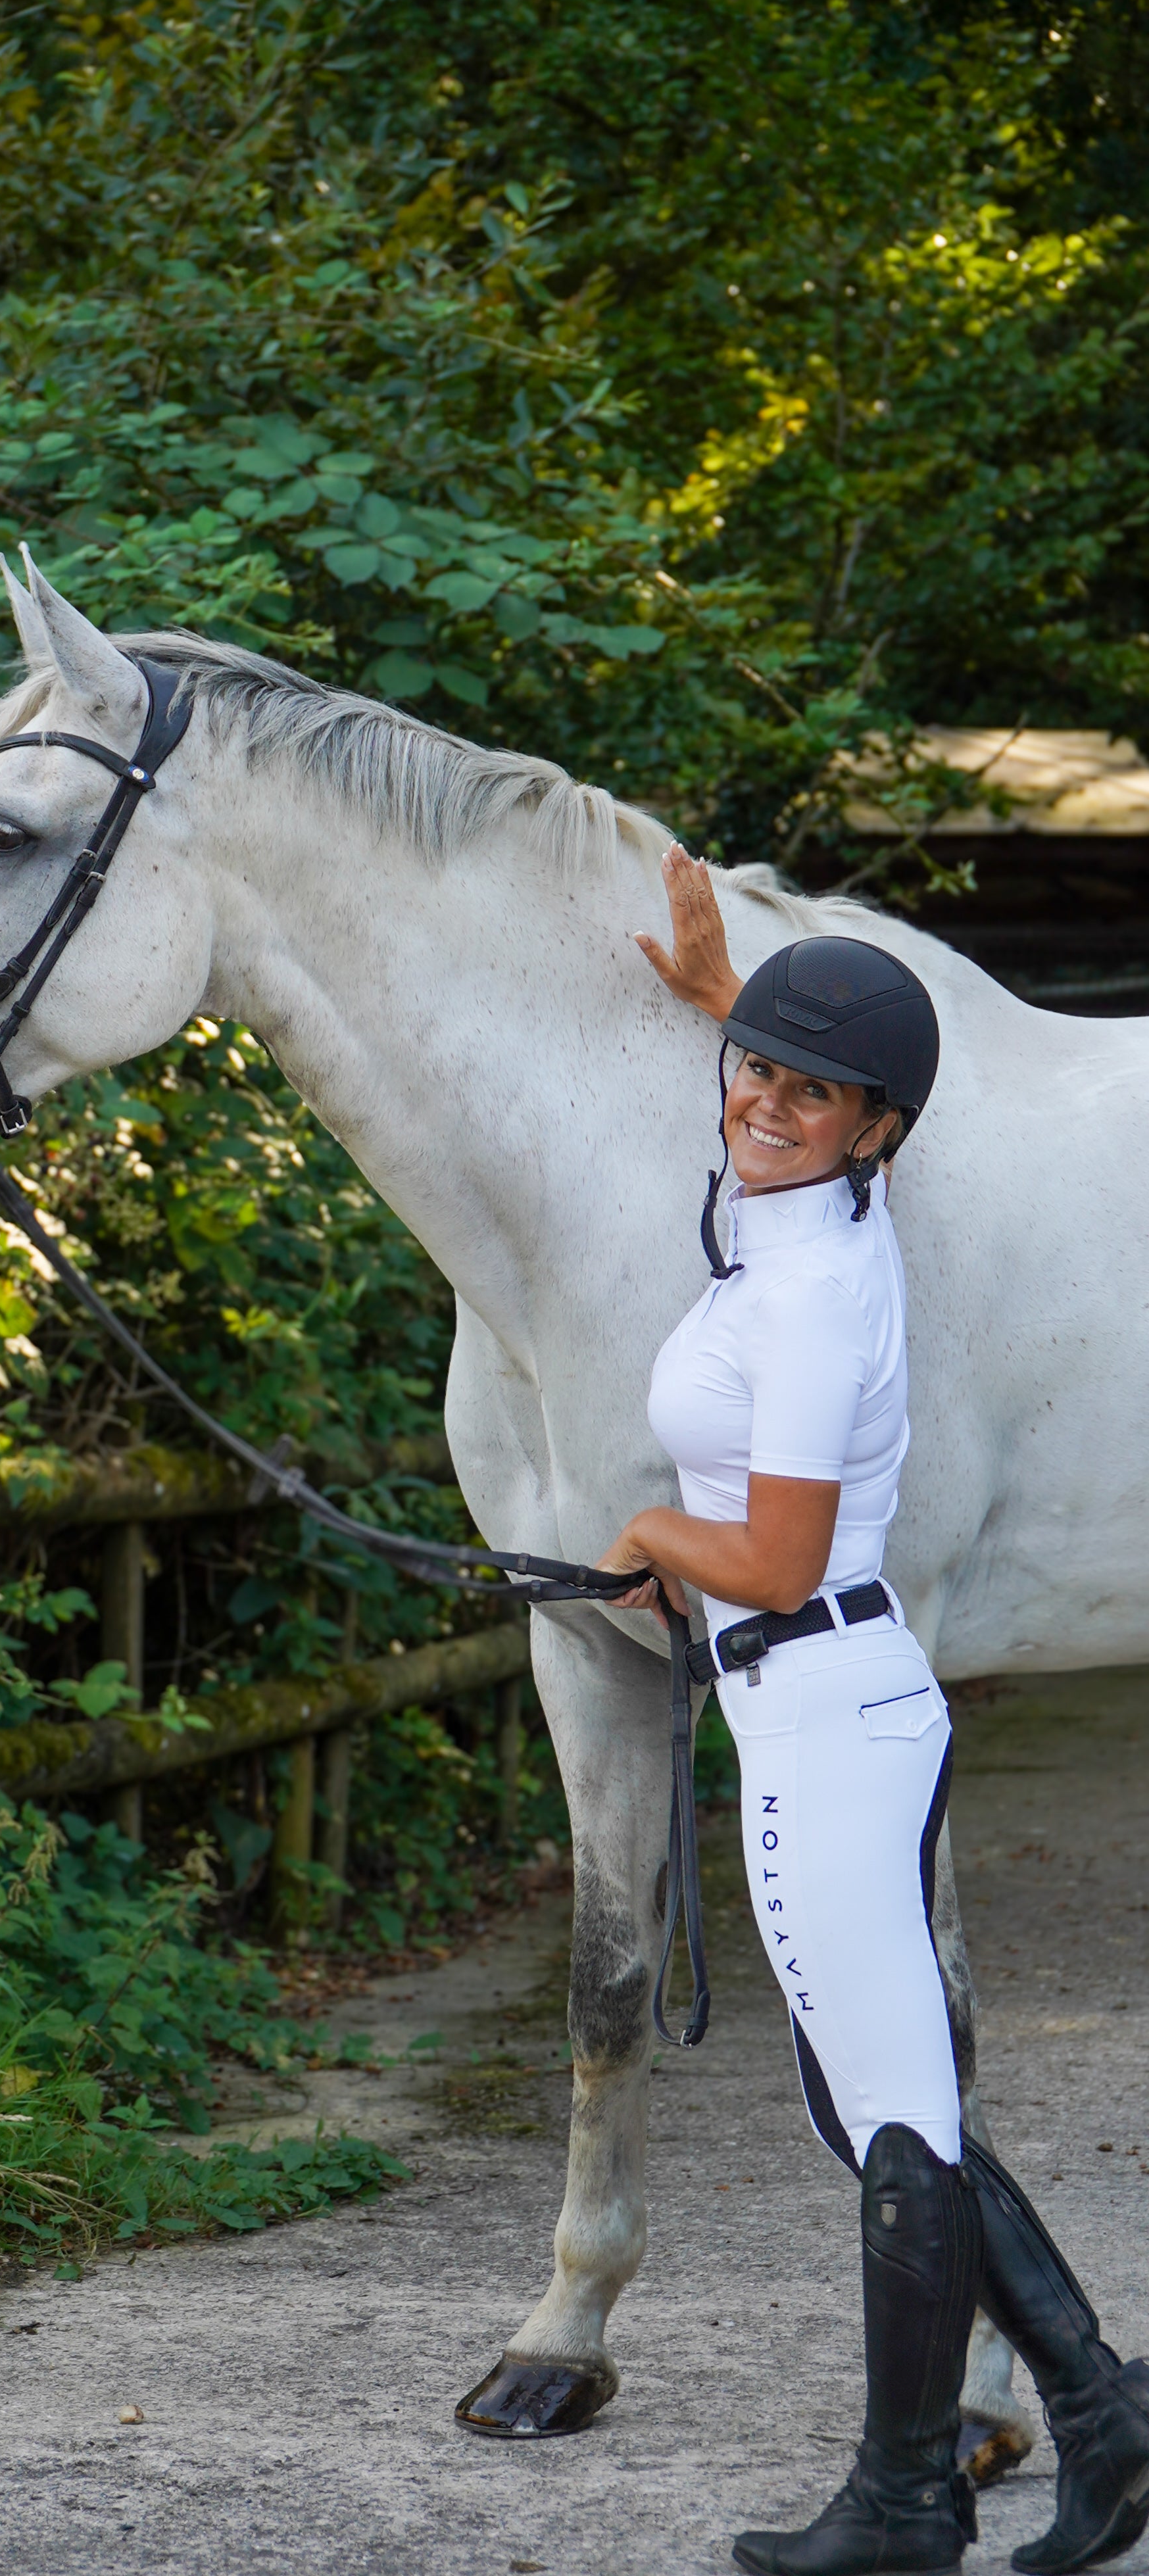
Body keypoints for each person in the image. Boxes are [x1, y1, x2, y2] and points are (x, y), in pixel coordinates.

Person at [593, 845, 1149, 2576]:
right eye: (754, 1068)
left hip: (826, 1700)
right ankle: (1106, 2422)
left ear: (878, 1128)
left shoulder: (825, 1287)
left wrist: (641, 1536)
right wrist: (731, 1005)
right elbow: (790, 1100)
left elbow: (775, 1547)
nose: (763, 1100)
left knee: (895, 2115)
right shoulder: (812, 1208)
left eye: (808, 1086)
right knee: (875, 2107)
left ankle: (913, 2499)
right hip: (803, 1714)